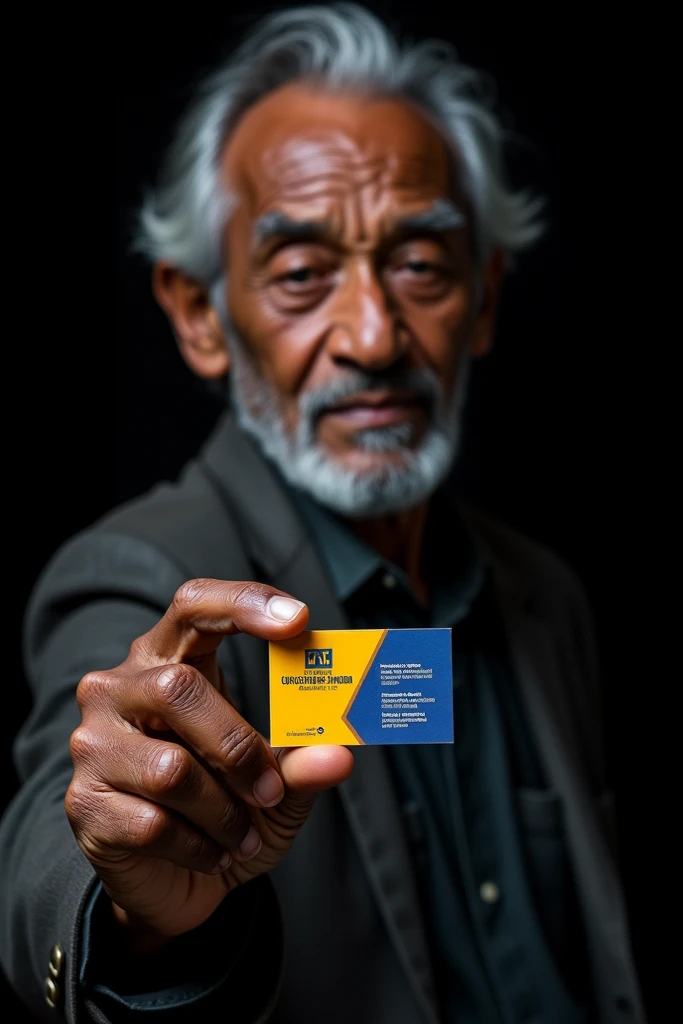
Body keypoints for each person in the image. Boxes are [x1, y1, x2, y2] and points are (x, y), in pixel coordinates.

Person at [0, 5, 645, 1022]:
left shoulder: (544, 600)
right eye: (301, 275)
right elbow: (61, 830)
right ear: (199, 315)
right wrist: (125, 902)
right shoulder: (145, 576)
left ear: (481, 298)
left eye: (419, 266)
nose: (373, 335)